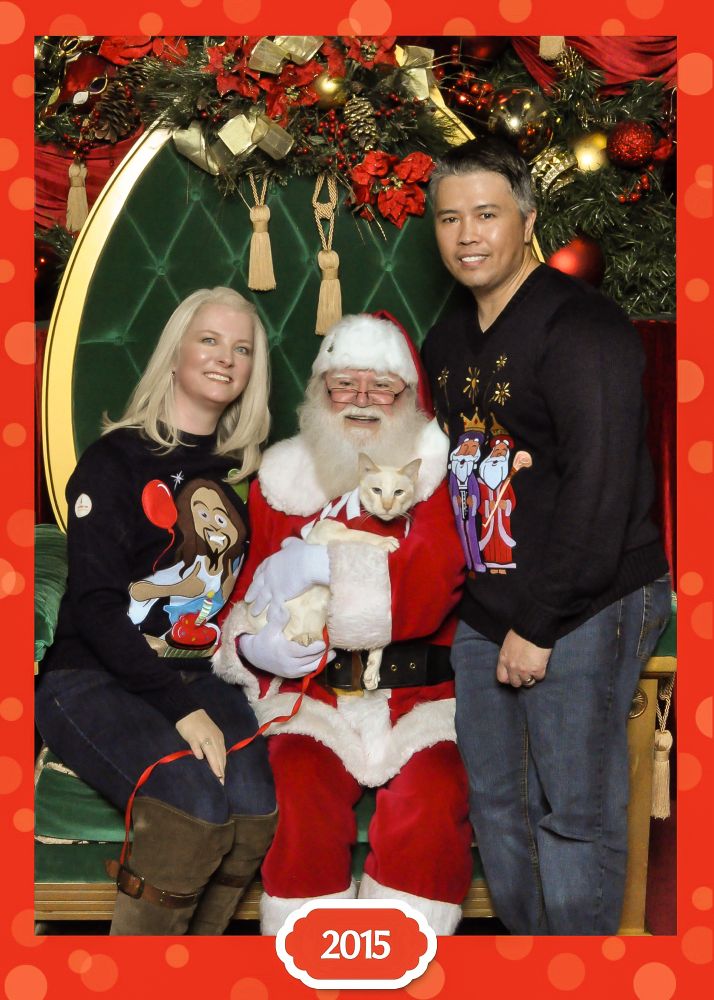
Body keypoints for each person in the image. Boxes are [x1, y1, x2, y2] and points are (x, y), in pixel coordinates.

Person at [421, 137, 671, 936]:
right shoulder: (448, 337)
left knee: (574, 810)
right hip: (491, 600)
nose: (467, 235)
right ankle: (535, 967)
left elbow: (600, 493)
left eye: (487, 214)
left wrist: (539, 624)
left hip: (587, 598)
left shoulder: (582, 329)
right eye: (450, 218)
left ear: (526, 221)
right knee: (497, 805)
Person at [214, 312, 473, 935]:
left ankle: (403, 959)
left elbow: (431, 584)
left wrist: (321, 563)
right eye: (344, 384)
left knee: (433, 801)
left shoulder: (435, 475)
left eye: (381, 386)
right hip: (317, 700)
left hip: (420, 701)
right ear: (320, 391)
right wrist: (253, 643)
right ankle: (310, 959)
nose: (361, 401)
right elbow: (245, 592)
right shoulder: (281, 478)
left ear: (408, 397)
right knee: (297, 792)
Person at [35, 287, 278, 935]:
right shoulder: (112, 462)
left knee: (254, 810)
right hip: (91, 677)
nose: (226, 357)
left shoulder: (237, 476)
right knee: (196, 806)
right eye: (209, 340)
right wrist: (182, 710)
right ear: (174, 354)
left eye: (242, 348)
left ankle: (186, 972)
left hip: (195, 672)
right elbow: (92, 607)